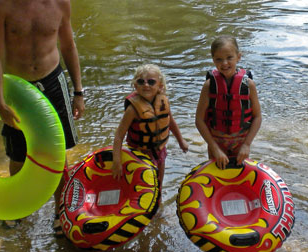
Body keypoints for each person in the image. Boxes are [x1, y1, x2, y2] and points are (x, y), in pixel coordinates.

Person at [0, 0, 85, 231]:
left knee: (57, 153)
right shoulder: (1, 3)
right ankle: (20, 206)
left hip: (54, 82)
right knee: (18, 154)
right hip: (19, 86)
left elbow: (68, 47)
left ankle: (60, 212)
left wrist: (78, 92)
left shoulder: (60, 2)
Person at [111, 64, 188, 193]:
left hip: (159, 150)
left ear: (160, 86)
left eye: (151, 82)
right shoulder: (132, 109)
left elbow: (171, 122)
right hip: (139, 153)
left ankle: (159, 205)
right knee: (143, 185)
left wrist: (181, 141)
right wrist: (116, 161)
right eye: (141, 81)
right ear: (135, 86)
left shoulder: (163, 102)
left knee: (158, 183)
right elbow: (119, 135)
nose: (146, 85)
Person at [195, 35, 261, 169]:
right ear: (213, 60)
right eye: (219, 59)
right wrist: (214, 148)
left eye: (229, 57)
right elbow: (199, 120)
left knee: (239, 176)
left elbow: (257, 117)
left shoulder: (249, 85)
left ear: (238, 56)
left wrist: (247, 144)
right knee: (218, 175)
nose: (224, 63)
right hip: (217, 142)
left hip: (241, 142)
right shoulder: (209, 86)